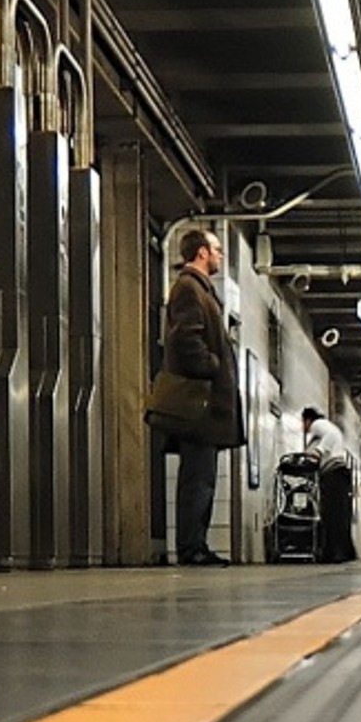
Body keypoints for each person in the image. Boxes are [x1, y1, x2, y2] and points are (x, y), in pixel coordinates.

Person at [163, 229, 242, 565]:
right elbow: (185, 338)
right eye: (217, 250)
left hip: (206, 403)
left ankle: (196, 543)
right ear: (200, 253)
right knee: (198, 478)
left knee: (203, 477)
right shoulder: (189, 289)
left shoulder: (199, 290)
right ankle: (191, 547)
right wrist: (211, 366)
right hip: (199, 402)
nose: (220, 256)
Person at [301, 404, 356, 562]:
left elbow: (331, 435)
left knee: (332, 514)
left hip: (334, 473)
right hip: (338, 473)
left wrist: (318, 451)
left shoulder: (318, 425)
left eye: (303, 423)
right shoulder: (321, 431)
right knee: (340, 514)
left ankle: (335, 553)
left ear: (308, 420)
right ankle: (344, 551)